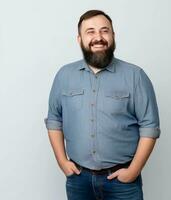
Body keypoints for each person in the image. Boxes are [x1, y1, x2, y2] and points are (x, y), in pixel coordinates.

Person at [44, 9, 161, 200]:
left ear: (113, 36)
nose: (98, 37)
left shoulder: (135, 76)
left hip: (122, 183)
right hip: (78, 180)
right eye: (90, 32)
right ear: (79, 39)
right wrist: (62, 161)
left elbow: (149, 127)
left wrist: (133, 171)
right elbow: (54, 120)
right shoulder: (64, 76)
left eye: (104, 31)